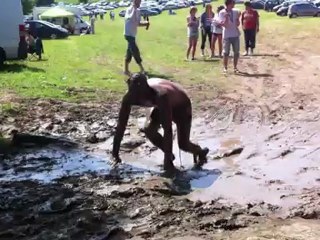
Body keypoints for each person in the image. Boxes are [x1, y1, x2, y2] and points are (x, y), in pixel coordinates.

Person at [112, 73, 209, 174]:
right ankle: (170, 154)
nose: (137, 98)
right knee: (149, 130)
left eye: (139, 95)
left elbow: (168, 129)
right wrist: (115, 155)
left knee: (183, 144)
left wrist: (168, 163)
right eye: (134, 95)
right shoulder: (129, 97)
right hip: (161, 105)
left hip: (181, 106)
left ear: (146, 90)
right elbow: (121, 125)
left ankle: (200, 152)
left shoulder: (160, 95)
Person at [123, 0, 149, 76]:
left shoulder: (138, 11)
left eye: (140, 2)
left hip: (132, 34)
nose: (139, 3)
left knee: (129, 52)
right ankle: (142, 69)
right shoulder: (130, 9)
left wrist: (146, 23)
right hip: (128, 34)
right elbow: (130, 18)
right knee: (135, 51)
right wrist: (134, 8)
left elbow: (137, 23)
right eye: (137, 2)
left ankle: (126, 70)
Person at [219, 0, 241, 73]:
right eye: (233, 3)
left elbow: (237, 24)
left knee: (236, 52)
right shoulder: (222, 12)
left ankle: (235, 67)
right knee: (226, 52)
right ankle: (225, 68)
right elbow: (225, 25)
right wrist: (226, 18)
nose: (234, 4)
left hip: (235, 34)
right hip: (227, 35)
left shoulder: (235, 11)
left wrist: (237, 19)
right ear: (228, 4)